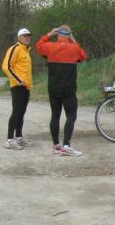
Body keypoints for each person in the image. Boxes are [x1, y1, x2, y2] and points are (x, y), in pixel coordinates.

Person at [36, 25, 88, 156]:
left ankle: (56, 145)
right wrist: (73, 40)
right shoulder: (74, 48)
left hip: (53, 87)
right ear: (69, 35)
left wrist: (49, 34)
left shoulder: (50, 46)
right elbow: (83, 56)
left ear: (58, 35)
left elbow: (39, 46)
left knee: (55, 115)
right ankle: (66, 146)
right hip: (68, 88)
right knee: (71, 115)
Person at [1, 27, 34, 150]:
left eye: (29, 36)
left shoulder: (26, 51)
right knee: (16, 112)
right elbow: (6, 66)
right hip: (17, 86)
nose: (28, 38)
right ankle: (9, 140)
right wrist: (19, 80)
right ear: (19, 37)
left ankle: (19, 137)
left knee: (22, 112)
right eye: (25, 36)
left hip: (26, 87)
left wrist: (28, 83)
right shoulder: (14, 48)